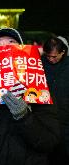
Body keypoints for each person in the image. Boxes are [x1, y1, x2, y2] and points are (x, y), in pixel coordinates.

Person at [0, 28, 60, 165]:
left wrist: (24, 116)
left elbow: (49, 142)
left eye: (11, 42)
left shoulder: (39, 87)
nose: (5, 47)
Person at [42, 35, 69, 165]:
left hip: (64, 118)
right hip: (44, 116)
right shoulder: (39, 62)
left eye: (54, 56)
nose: (51, 59)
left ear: (63, 52)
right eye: (48, 56)